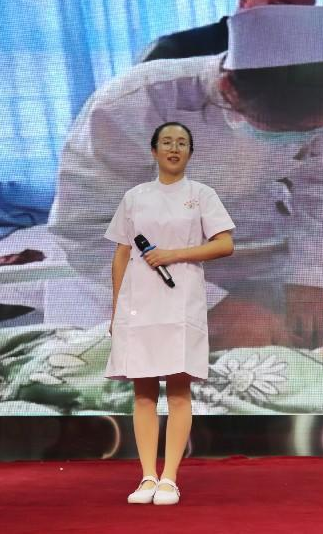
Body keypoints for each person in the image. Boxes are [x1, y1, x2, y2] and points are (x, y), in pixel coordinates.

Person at [48, 5, 323, 348]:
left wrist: (310, 278)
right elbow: (89, 229)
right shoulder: (132, 106)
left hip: (248, 248)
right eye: (282, 129)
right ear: (228, 88)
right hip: (135, 258)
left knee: (272, 362)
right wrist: (209, 304)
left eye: (314, 131)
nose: (303, 140)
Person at [106, 122, 235, 505]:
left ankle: (170, 478)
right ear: (154, 151)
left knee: (178, 391)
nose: (174, 148)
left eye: (181, 143)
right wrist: (115, 310)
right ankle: (147, 476)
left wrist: (173, 254)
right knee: (143, 392)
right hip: (138, 302)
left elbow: (225, 244)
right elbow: (122, 253)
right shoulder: (134, 197)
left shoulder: (202, 195)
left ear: (190, 153)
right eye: (167, 142)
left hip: (180, 301)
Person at [139, 0, 316, 62]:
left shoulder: (305, 59)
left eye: (302, 15)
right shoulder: (176, 49)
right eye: (280, 6)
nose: (291, 19)